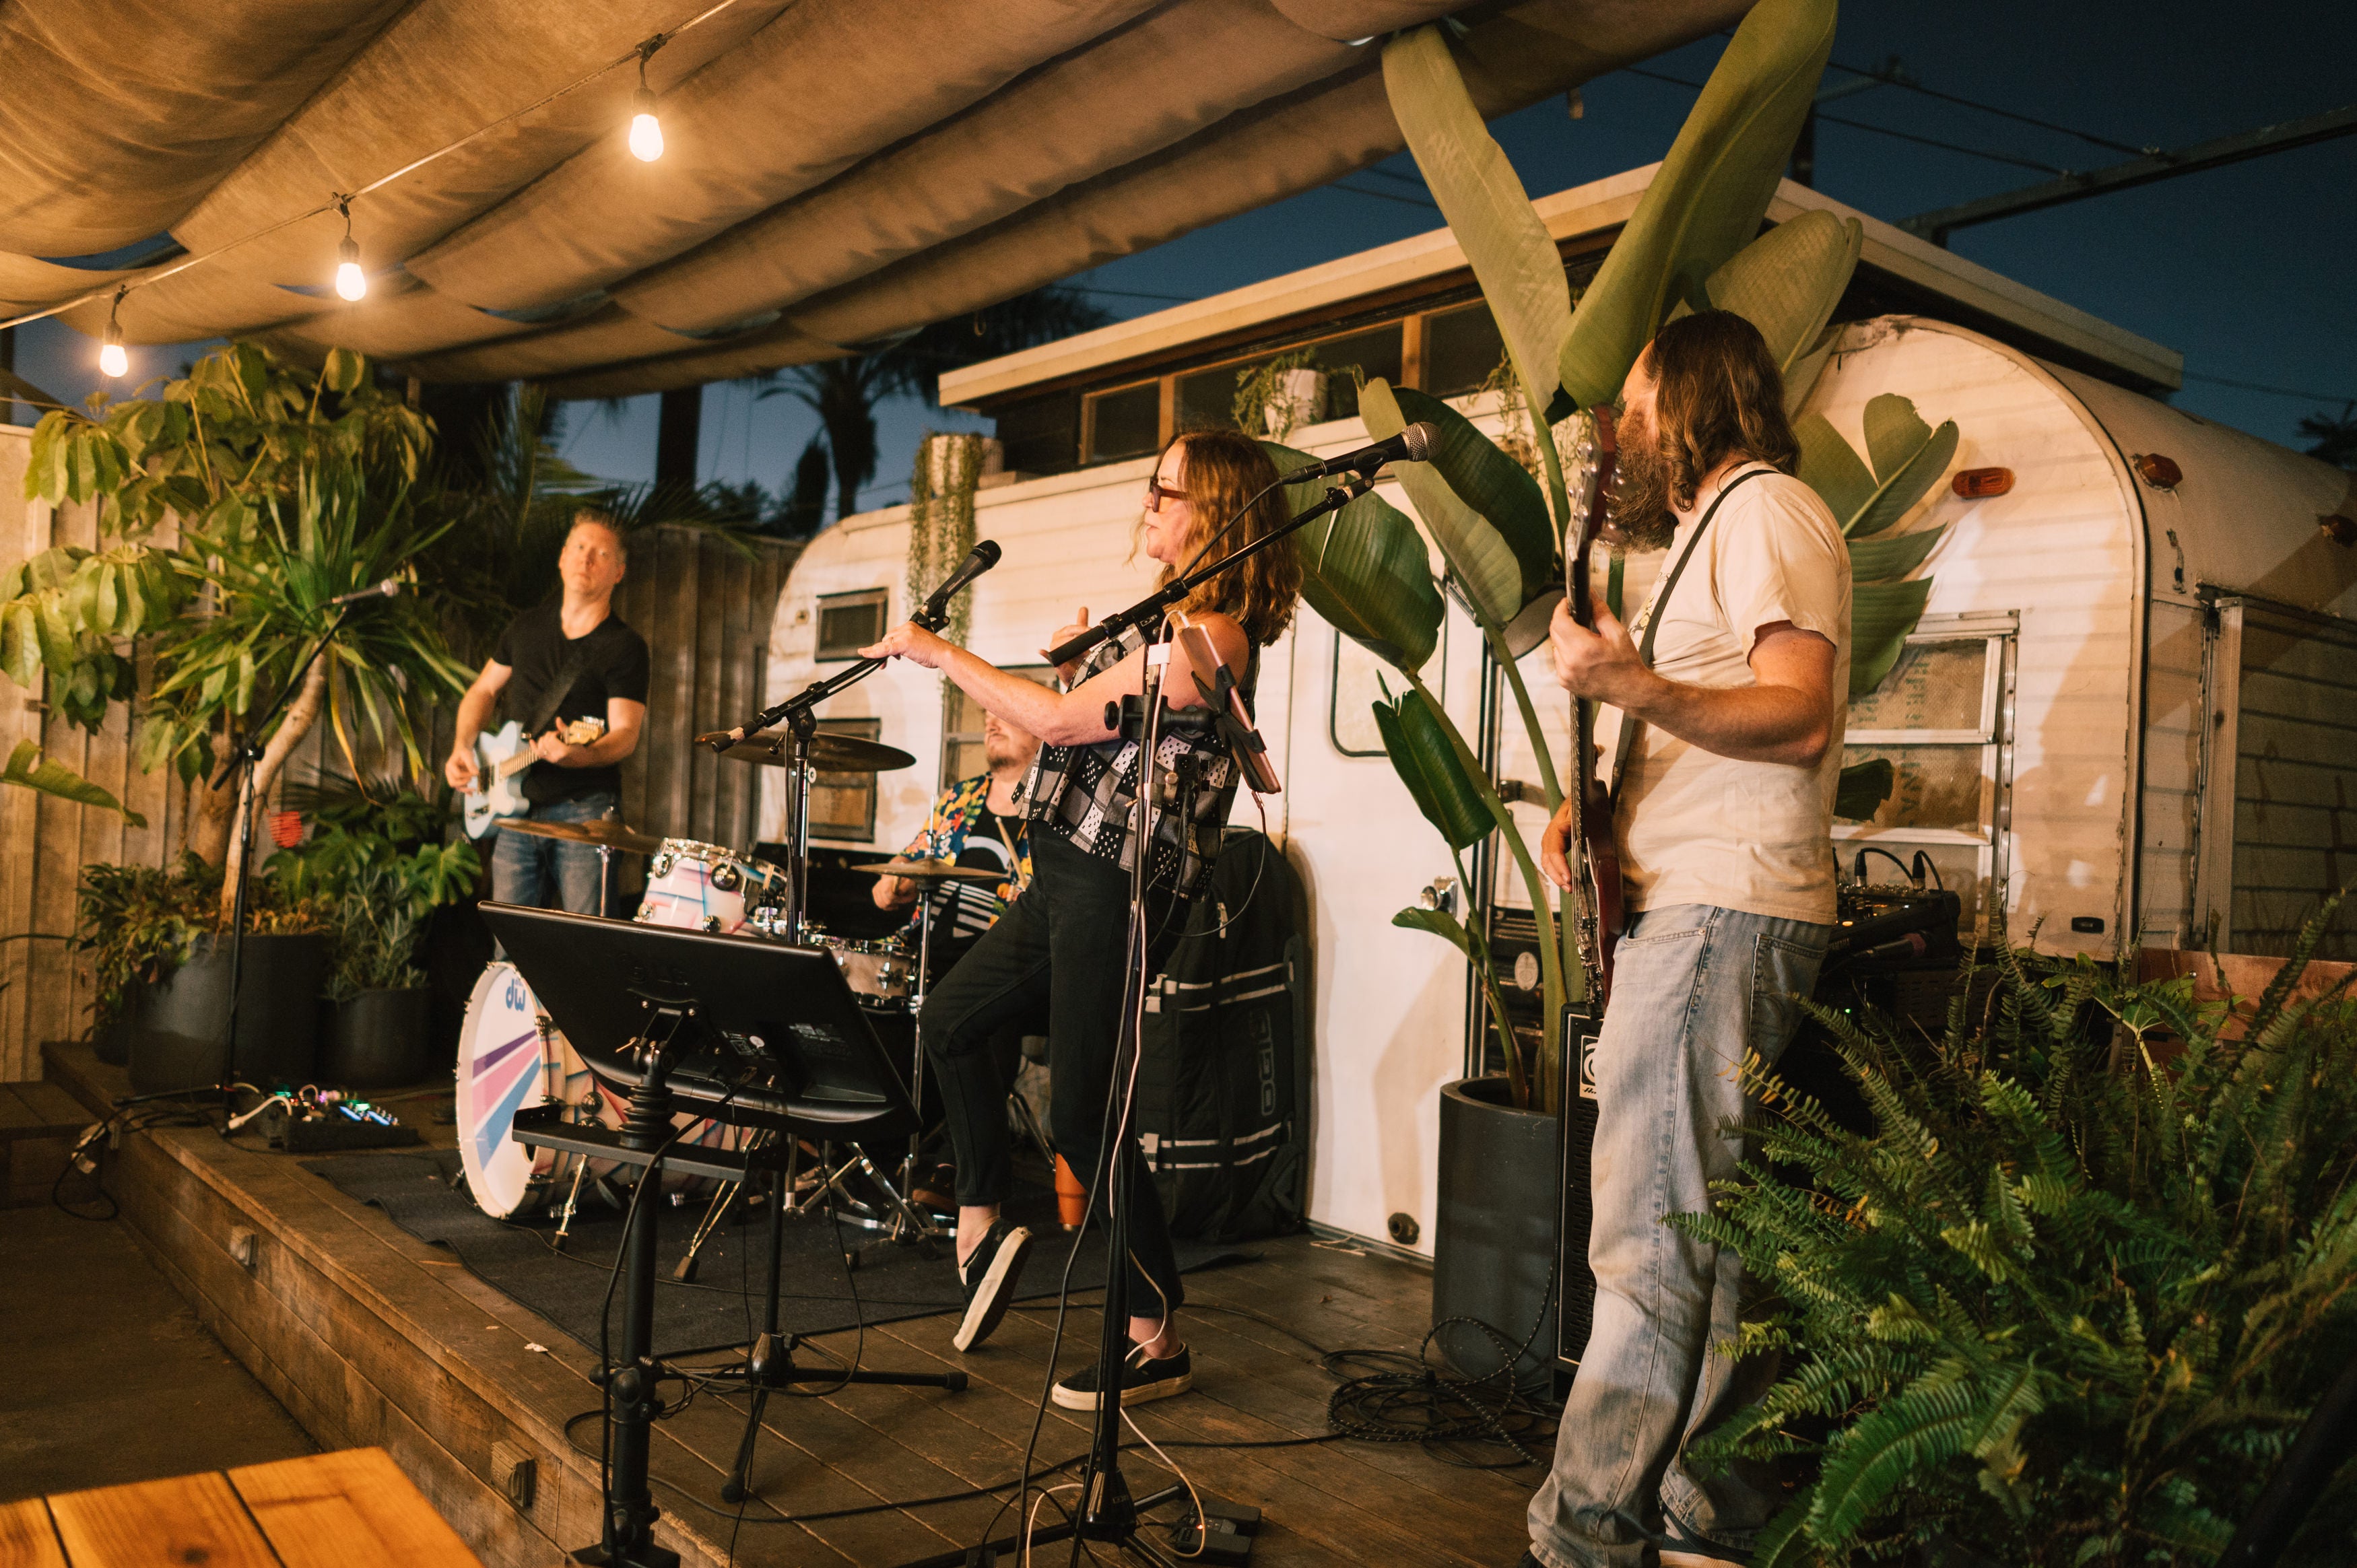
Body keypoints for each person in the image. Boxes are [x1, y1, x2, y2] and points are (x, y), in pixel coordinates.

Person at [859, 428, 1300, 1404]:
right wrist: (1074, 672)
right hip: (1066, 872)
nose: (1148, 501)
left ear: (1217, 511)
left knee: (1085, 1113)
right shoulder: (1166, 624)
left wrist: (936, 651)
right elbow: (1098, 737)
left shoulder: (1212, 638)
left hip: (1119, 888)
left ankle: (1155, 1334)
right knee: (952, 1017)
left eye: (1166, 487)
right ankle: (980, 1228)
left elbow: (1060, 730)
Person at [1523, 310, 1851, 1568]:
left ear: (1697, 395)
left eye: (1644, 398)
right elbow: (1711, 714)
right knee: (1700, 1232)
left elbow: (1798, 712)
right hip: (1705, 898)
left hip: (1723, 910)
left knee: (1648, 1236)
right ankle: (1709, 1508)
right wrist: (1597, 800)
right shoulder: (1717, 529)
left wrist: (1629, 688)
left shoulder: (1768, 510)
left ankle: (1586, 1530)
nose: (1629, 425)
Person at [444, 511, 650, 917]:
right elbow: (484, 689)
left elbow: (625, 732)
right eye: (579, 547)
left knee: (584, 941)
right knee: (511, 941)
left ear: (619, 572)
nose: (586, 559)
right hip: (513, 813)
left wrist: (582, 754)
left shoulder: (625, 646)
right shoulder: (524, 628)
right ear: (561, 558)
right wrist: (462, 746)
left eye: (601, 553)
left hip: (585, 812)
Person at [871, 709, 1042, 969]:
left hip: (995, 967)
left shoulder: (1052, 809)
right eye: (986, 720)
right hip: (921, 952)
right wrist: (893, 881)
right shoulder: (959, 797)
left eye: (1004, 716)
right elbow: (913, 856)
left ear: (1040, 729)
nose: (991, 727)